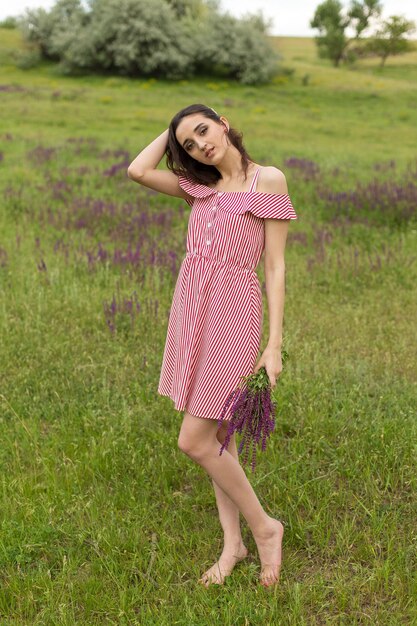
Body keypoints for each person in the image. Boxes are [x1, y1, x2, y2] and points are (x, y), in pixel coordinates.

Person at [127, 103, 298, 588]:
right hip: (191, 311)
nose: (200, 144)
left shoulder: (266, 180)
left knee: (195, 440)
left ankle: (265, 529)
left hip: (233, 313)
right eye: (188, 144)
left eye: (203, 130)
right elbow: (137, 171)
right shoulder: (197, 188)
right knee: (221, 438)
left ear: (223, 123)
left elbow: (276, 266)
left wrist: (275, 343)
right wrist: (171, 133)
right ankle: (233, 544)